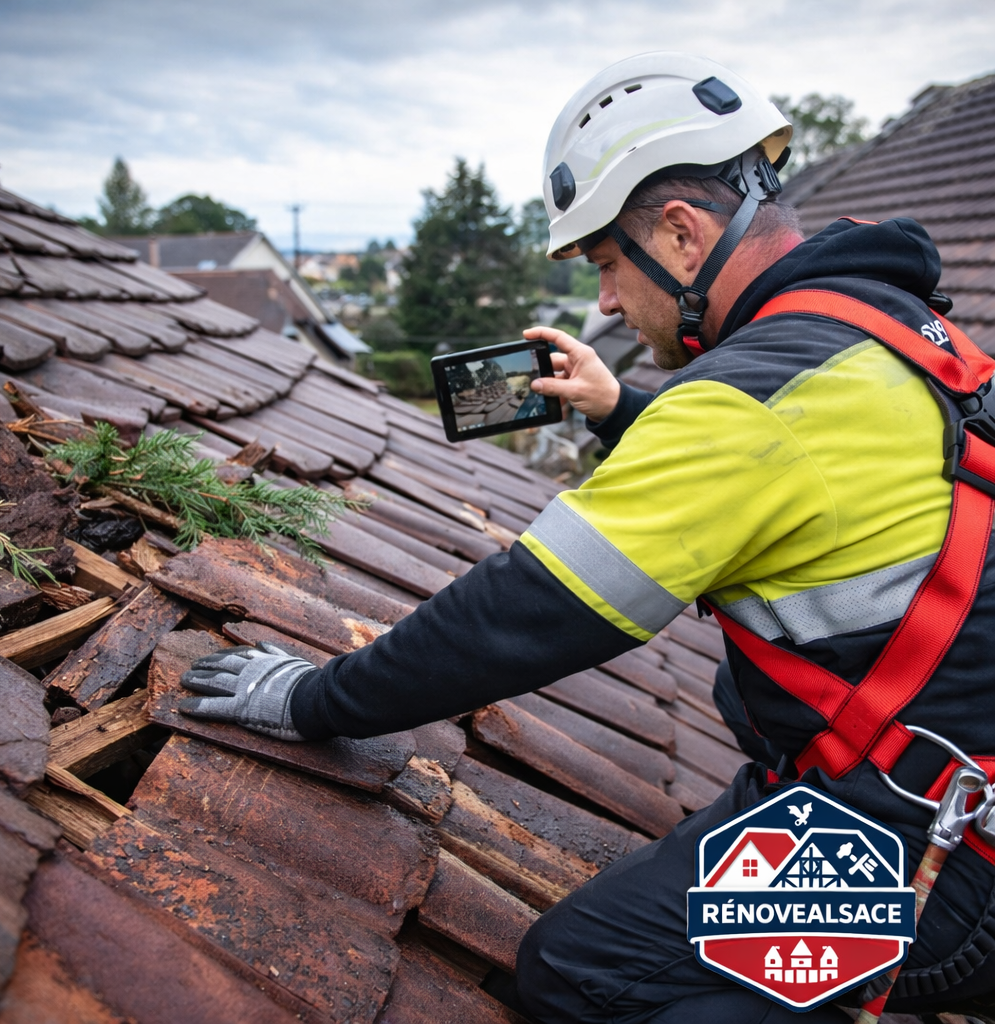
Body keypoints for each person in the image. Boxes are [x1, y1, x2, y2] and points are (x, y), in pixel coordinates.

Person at [180, 53, 995, 1021]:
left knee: (586, 975)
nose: (605, 300)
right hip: (926, 781)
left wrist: (316, 700)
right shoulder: (880, 331)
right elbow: (796, 474)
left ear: (681, 235)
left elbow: (532, 611)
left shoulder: (749, 400)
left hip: (928, 852)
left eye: (607, 262)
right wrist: (622, 412)